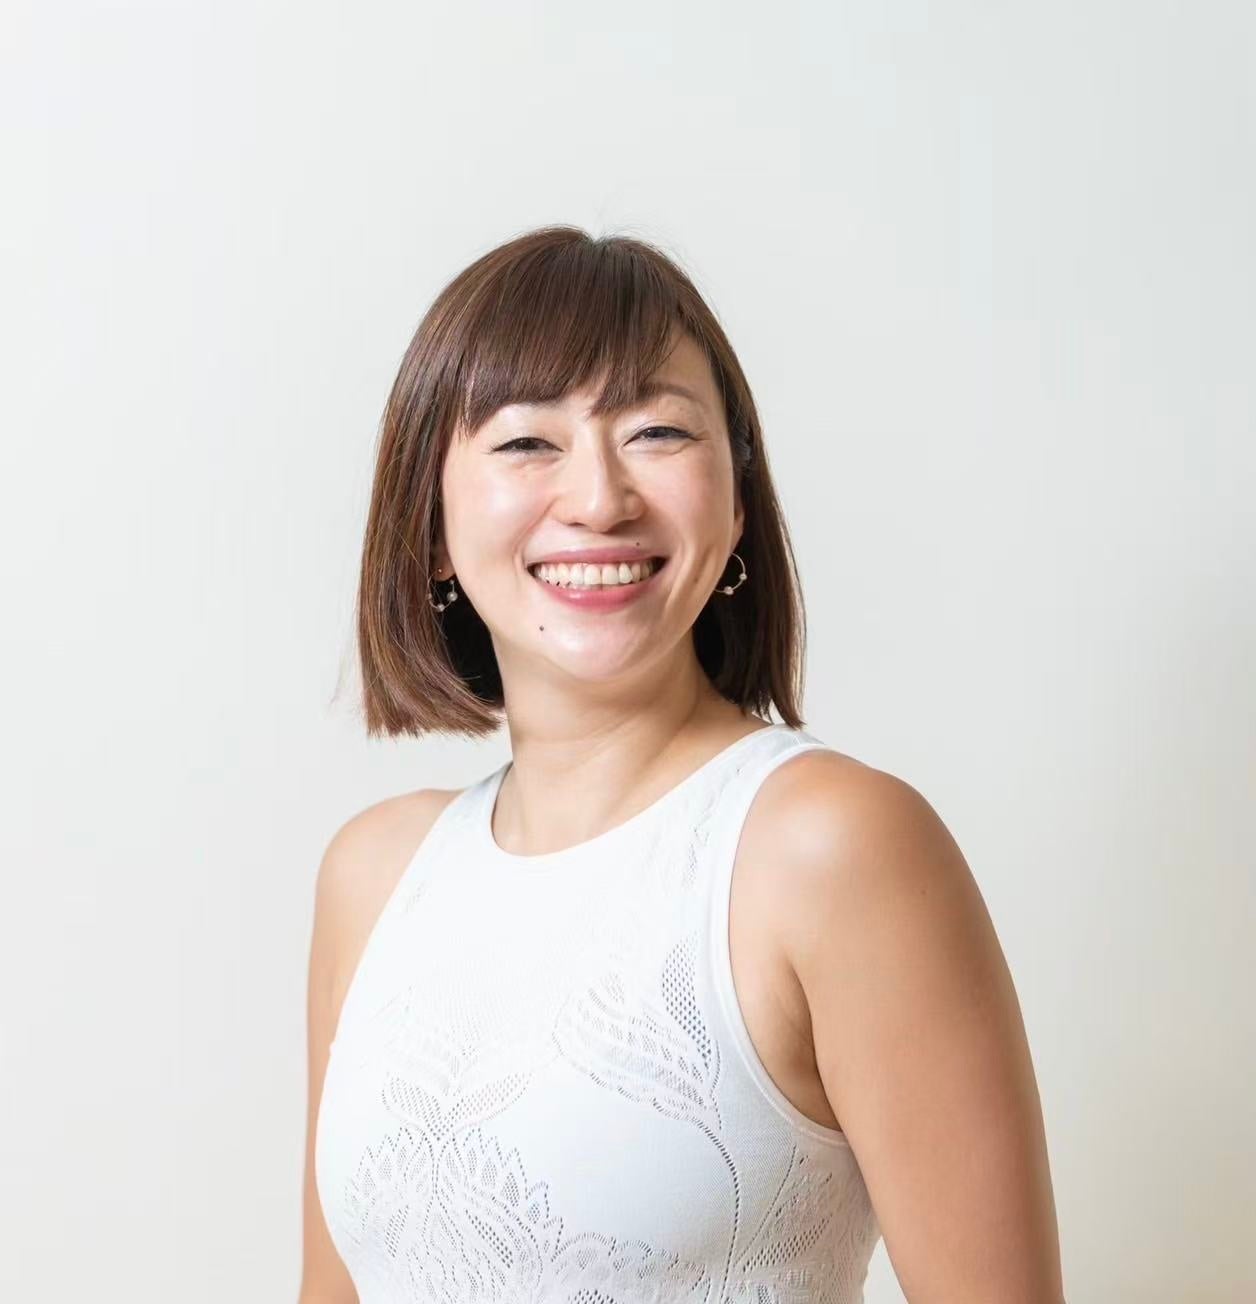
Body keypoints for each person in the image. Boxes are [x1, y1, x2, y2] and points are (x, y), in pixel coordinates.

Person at [298, 225, 1066, 1303]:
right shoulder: (374, 874)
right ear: (429, 525)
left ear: (736, 502)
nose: (599, 497)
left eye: (655, 431)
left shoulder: (830, 846)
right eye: (527, 442)